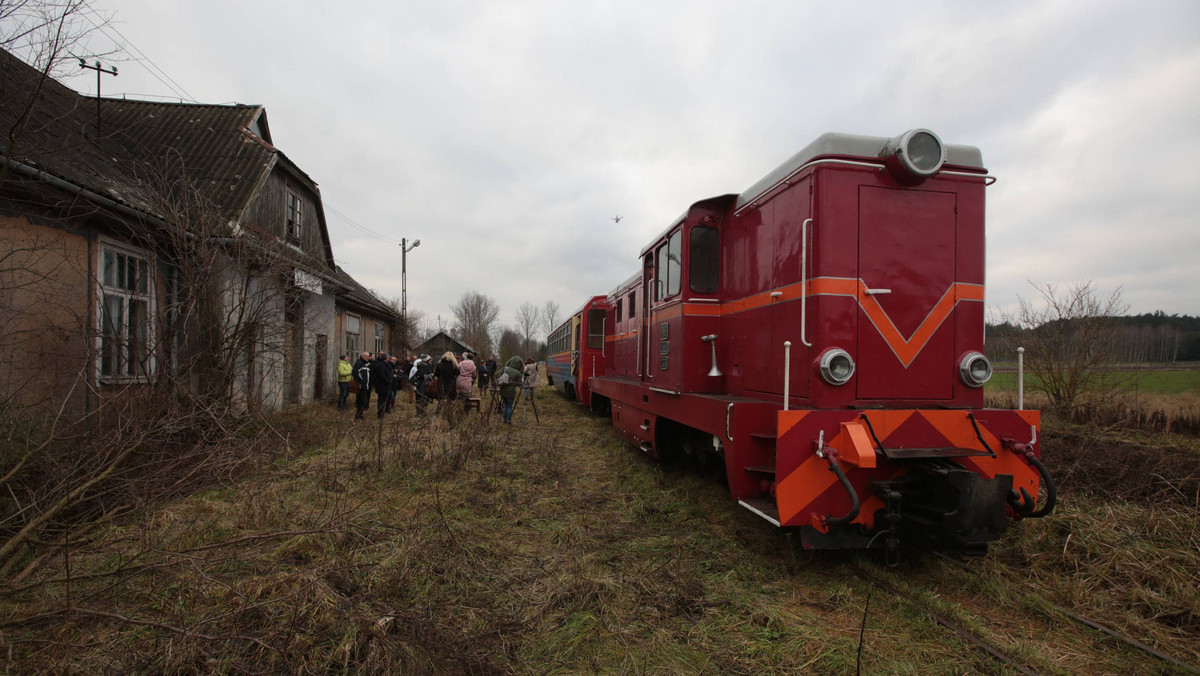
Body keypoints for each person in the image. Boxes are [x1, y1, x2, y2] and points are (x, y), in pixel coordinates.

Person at [498, 355, 523, 424]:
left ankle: (504, 419)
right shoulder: (518, 373)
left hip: (503, 390)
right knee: (509, 406)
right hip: (511, 392)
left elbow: (496, 374)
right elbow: (520, 384)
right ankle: (508, 420)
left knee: (505, 405)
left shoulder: (505, 369)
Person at [372, 352, 393, 418]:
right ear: (386, 358)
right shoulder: (381, 365)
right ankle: (380, 413)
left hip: (386, 386)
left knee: (388, 397)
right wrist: (387, 381)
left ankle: (385, 410)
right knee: (381, 400)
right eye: (388, 358)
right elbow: (381, 375)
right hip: (382, 386)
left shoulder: (386, 364)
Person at [353, 351, 372, 420]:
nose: (367, 358)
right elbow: (355, 373)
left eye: (368, 356)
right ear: (362, 356)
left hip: (366, 386)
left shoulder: (366, 364)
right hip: (361, 386)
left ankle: (360, 415)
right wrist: (361, 381)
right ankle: (358, 416)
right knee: (362, 401)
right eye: (366, 356)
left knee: (364, 401)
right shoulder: (359, 363)